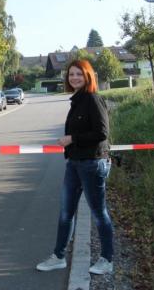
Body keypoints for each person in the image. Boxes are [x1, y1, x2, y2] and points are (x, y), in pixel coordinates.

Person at [36, 59, 114, 275]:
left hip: (92, 163)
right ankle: (58, 257)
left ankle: (107, 260)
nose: (74, 78)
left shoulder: (92, 99)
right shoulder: (77, 100)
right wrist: (72, 145)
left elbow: (102, 133)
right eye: (71, 74)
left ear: (88, 75)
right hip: (74, 164)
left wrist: (72, 139)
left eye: (79, 74)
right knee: (65, 212)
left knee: (99, 213)